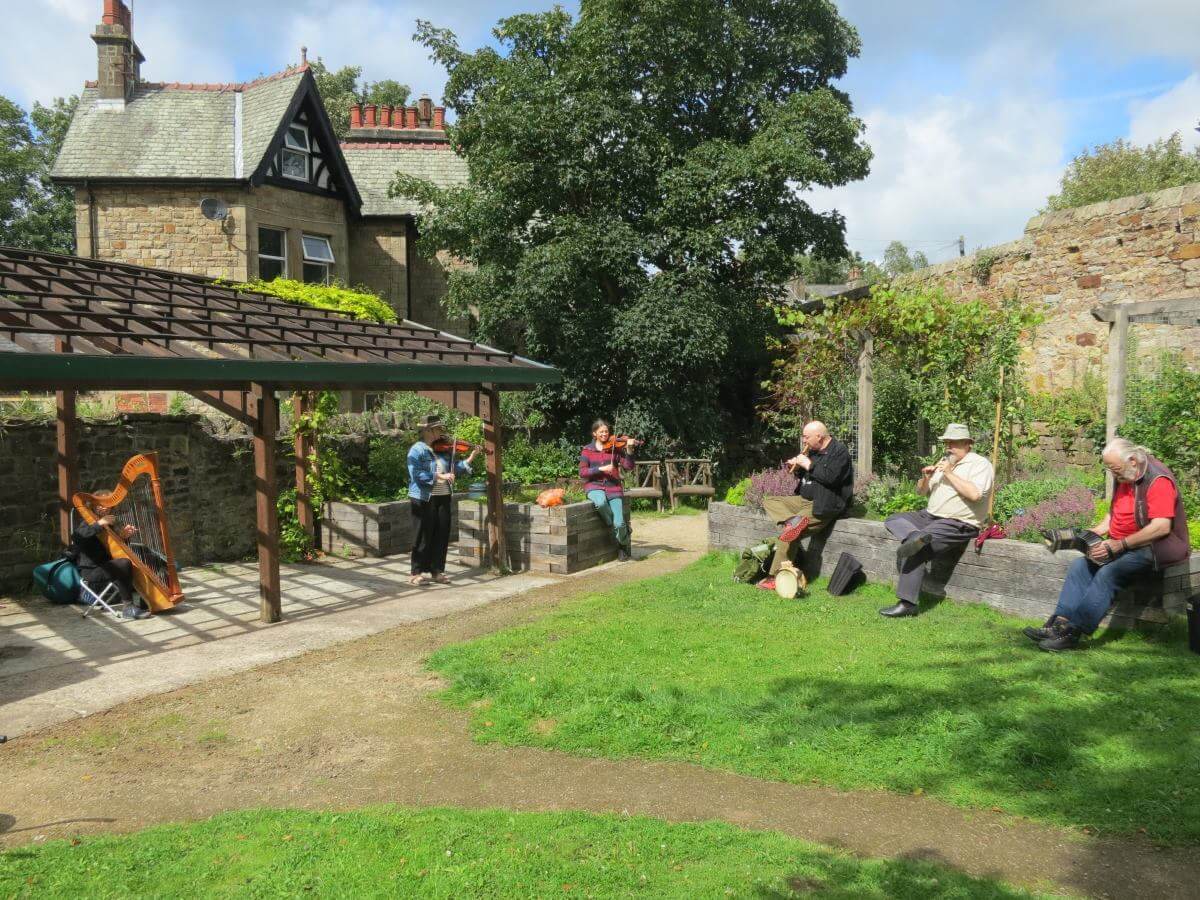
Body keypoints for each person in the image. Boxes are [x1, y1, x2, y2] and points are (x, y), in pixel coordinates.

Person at [1025, 438, 1191, 651]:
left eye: (1116, 470)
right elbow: (1112, 515)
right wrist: (1088, 534)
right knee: (1080, 566)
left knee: (1109, 572)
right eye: (1111, 470)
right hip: (1124, 543)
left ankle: (1073, 633)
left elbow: (1161, 527)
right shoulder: (1124, 474)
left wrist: (1120, 545)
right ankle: (1059, 625)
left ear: (1133, 461)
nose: (1114, 475)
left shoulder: (1158, 480)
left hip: (1156, 547)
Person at [880, 423, 994, 618]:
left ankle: (907, 604)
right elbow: (921, 492)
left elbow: (975, 495)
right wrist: (925, 478)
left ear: (967, 444)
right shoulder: (945, 461)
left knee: (917, 548)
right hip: (930, 516)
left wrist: (949, 473)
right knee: (894, 518)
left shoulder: (980, 464)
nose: (949, 446)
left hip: (959, 522)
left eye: (954, 443)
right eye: (947, 442)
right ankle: (914, 537)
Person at [758, 421, 854, 590]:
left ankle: (774, 577)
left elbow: (831, 478)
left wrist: (808, 464)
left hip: (822, 503)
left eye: (806, 437)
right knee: (770, 501)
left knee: (788, 535)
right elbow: (810, 475)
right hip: (802, 500)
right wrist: (796, 468)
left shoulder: (839, 453)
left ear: (820, 436)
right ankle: (792, 522)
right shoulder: (814, 451)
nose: (804, 441)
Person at [407, 415, 479, 586]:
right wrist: (439, 476)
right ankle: (416, 572)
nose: (441, 432)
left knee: (441, 535)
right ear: (428, 430)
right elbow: (416, 474)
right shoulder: (417, 450)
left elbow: (455, 470)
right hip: (424, 498)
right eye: (438, 429)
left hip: (444, 496)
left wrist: (471, 457)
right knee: (423, 535)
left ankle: (437, 571)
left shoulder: (443, 450)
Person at [68, 505, 149, 619]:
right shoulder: (87, 523)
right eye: (101, 505)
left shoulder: (110, 526)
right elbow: (76, 537)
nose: (106, 508)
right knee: (123, 564)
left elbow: (114, 550)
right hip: (92, 570)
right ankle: (128, 608)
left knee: (146, 555)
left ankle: (146, 601)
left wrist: (124, 536)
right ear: (94, 506)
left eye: (109, 506)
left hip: (109, 566)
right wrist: (99, 524)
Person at [580, 420, 641, 561]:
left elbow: (628, 466)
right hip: (594, 486)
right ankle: (618, 530)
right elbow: (582, 472)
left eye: (606, 431)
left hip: (613, 487)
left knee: (620, 523)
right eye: (601, 431)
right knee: (600, 503)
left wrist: (630, 450)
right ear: (595, 433)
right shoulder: (587, 450)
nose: (604, 434)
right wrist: (600, 469)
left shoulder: (616, 448)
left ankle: (623, 545)